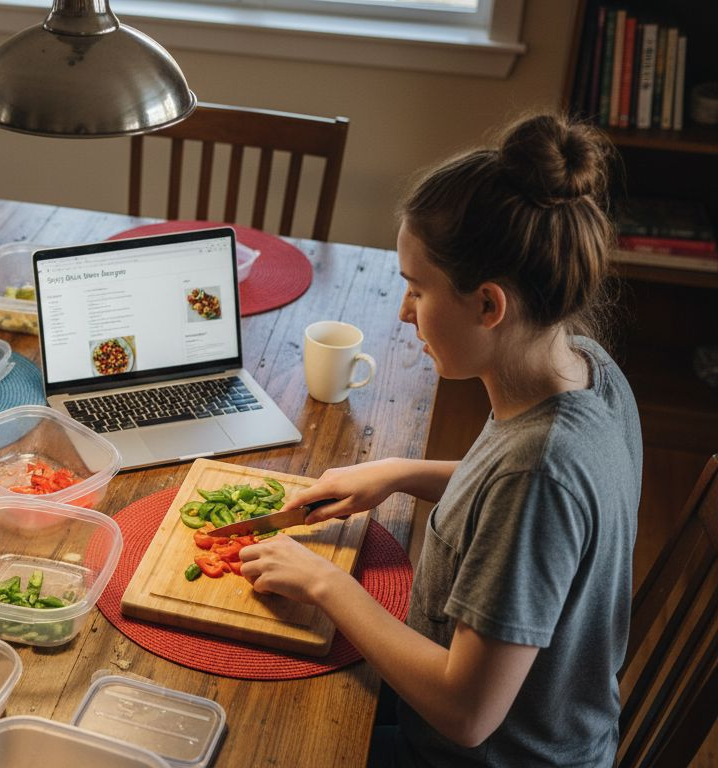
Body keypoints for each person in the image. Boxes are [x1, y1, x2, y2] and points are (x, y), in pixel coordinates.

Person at [239, 113, 639, 767]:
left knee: (267, 734)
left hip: (477, 752)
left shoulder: (536, 474)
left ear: (488, 306)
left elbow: (466, 715)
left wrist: (326, 584)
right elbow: (520, 506)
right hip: (531, 728)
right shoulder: (586, 368)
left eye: (417, 289)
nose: (403, 311)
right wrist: (399, 472)